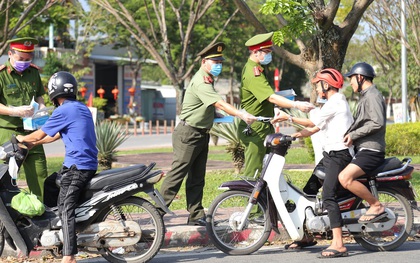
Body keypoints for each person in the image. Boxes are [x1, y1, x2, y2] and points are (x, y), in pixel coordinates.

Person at [159, 42, 256, 226]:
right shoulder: (201, 81)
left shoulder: (208, 79)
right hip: (188, 134)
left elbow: (207, 106)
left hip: (200, 133)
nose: (219, 64)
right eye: (215, 61)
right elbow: (218, 102)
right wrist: (240, 114)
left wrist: (215, 115)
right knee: (177, 175)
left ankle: (196, 215)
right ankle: (157, 212)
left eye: (220, 61)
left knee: (197, 177)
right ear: (204, 62)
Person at [17, 71, 98, 263]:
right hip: (79, 164)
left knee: (65, 207)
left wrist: (21, 139)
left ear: (54, 91)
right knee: (50, 184)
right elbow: (56, 135)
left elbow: (39, 134)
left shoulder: (64, 110)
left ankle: (69, 255)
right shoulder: (80, 107)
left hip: (78, 167)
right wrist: (33, 144)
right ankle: (55, 231)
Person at [272, 69, 354, 255]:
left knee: (328, 195)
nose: (316, 89)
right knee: (308, 191)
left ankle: (339, 243)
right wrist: (291, 136)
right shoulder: (330, 104)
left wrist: (289, 117)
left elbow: (312, 122)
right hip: (330, 155)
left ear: (326, 85)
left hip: (340, 155)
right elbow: (314, 128)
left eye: (318, 85)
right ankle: (307, 236)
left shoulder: (337, 102)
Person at [238, 32, 314, 178]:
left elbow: (262, 99)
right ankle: (247, 199)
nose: (269, 55)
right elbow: (271, 98)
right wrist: (296, 105)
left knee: (267, 171)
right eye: (266, 52)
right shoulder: (253, 73)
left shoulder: (258, 69)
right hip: (255, 127)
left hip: (263, 124)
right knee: (253, 173)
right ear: (256, 52)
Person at [0, 37, 48, 201]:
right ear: (10, 54)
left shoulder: (33, 72)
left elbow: (39, 97)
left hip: (32, 133)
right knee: (7, 178)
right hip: (8, 134)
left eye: (28, 59)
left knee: (39, 174)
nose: (25, 62)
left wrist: (42, 109)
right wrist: (14, 111)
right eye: (21, 59)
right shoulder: (1, 75)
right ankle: (9, 219)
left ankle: (42, 212)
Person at [338, 62, 387, 223]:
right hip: (364, 149)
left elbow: (377, 123)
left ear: (360, 77)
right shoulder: (367, 95)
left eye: (351, 78)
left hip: (371, 150)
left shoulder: (372, 95)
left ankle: (376, 205)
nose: (350, 82)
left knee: (345, 177)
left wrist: (354, 134)